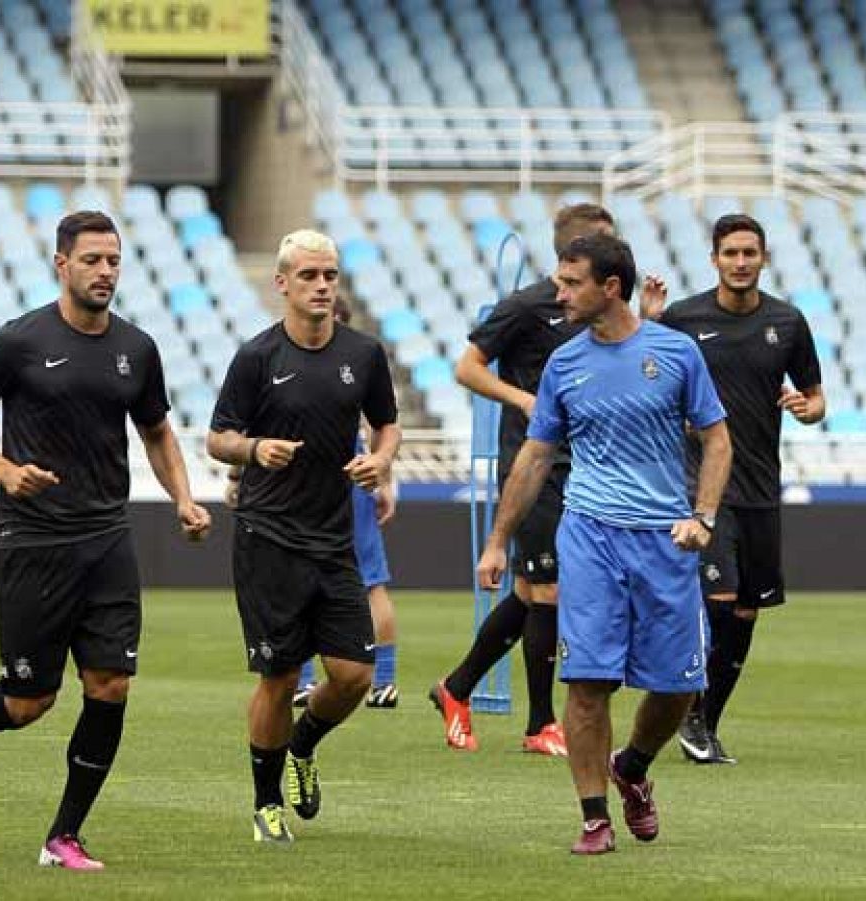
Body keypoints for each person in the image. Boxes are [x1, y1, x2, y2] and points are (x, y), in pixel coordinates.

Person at [0, 211, 211, 870]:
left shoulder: (137, 349)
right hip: (34, 538)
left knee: (110, 684)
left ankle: (64, 836)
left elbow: (157, 430)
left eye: (114, 260)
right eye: (92, 260)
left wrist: (184, 497)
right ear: (62, 264)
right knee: (29, 702)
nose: (106, 272)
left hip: (107, 536)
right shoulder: (19, 341)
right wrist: (3, 471)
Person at [478, 233, 730, 855]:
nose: (558, 293)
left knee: (678, 687)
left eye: (571, 282)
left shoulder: (675, 354)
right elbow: (536, 457)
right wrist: (498, 541)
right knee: (587, 682)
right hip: (588, 535)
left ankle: (634, 768)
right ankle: (594, 816)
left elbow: (717, 440)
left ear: (610, 287)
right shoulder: (563, 363)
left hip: (665, 540)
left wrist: (703, 516)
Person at [207, 229, 400, 843]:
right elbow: (218, 438)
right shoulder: (257, 358)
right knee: (280, 676)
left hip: (333, 538)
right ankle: (265, 803)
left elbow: (387, 424)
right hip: (268, 537)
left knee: (353, 676)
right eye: (310, 276)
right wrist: (256, 448)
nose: (322, 286)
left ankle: (304, 743)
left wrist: (382, 460)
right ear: (283, 283)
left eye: (330, 276)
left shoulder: (364, 355)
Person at [434, 203, 617, 757]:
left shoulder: (603, 311)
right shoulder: (527, 306)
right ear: (571, 251)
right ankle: (541, 724)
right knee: (548, 590)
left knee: (530, 593)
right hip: (532, 464)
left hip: (585, 464)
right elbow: (466, 367)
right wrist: (524, 400)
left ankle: (456, 687)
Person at [654, 214, 825, 765]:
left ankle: (704, 719)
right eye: (730, 253)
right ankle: (684, 710)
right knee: (721, 604)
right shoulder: (683, 319)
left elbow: (817, 397)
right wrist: (647, 324)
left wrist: (806, 408)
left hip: (760, 489)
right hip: (705, 488)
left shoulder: (788, 322)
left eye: (750, 252)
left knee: (746, 613)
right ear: (714, 260)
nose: (741, 262)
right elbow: (648, 376)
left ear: (763, 258)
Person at [292, 300, 399, 709]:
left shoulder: (292, 355)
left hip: (308, 477)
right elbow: (383, 423)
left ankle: (302, 679)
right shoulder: (360, 358)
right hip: (354, 472)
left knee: (299, 579)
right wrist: (383, 480)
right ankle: (384, 682)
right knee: (371, 582)